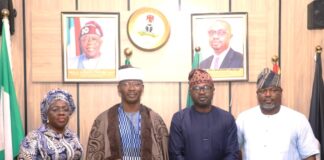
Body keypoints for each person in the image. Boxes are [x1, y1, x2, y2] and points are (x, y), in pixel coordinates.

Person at [86, 65, 169, 160]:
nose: (132, 88)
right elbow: (93, 154)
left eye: (136, 84)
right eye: (126, 84)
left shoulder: (155, 119)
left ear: (142, 88)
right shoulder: (103, 120)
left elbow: (165, 153)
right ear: (119, 88)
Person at [236, 68, 320, 160]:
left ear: (281, 92)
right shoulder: (244, 119)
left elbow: (309, 156)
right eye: (263, 90)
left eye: (273, 90)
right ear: (257, 94)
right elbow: (234, 150)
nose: (268, 94)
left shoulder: (298, 120)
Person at [168, 69, 239, 160]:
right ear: (190, 92)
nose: (202, 92)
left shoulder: (227, 118)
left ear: (213, 90)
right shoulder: (179, 119)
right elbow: (175, 154)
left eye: (206, 87)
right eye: (196, 88)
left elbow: (232, 153)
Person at [18, 89, 83, 159]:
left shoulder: (73, 136)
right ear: (46, 113)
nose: (61, 113)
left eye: (65, 109)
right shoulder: (34, 138)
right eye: (55, 109)